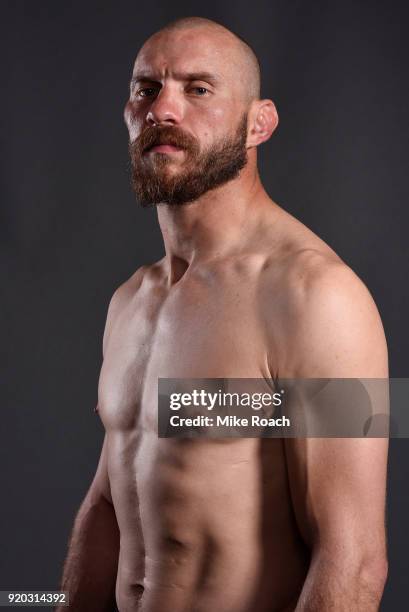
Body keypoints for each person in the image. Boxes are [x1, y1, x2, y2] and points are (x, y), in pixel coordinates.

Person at [57, 16, 389, 612]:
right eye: (146, 88)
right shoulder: (131, 298)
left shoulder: (321, 294)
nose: (164, 109)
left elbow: (356, 558)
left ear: (259, 122)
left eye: (198, 89)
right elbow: (110, 497)